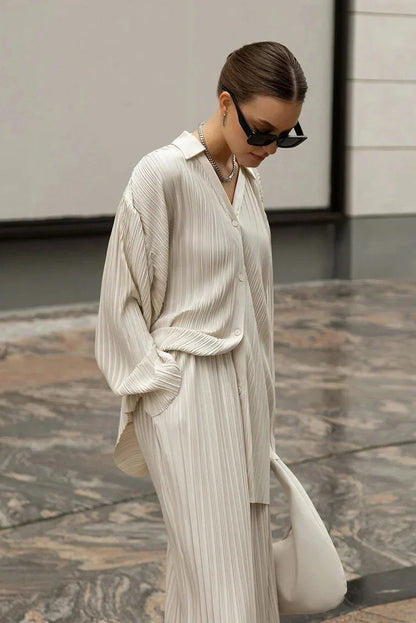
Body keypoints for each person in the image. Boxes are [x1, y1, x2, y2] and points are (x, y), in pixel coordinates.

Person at [95, 40, 308, 623]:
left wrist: (262, 396)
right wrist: (161, 385)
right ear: (225, 102)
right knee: (223, 580)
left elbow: (257, 303)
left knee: (227, 575)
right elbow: (120, 300)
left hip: (247, 398)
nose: (269, 148)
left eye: (285, 137)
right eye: (261, 131)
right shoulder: (161, 174)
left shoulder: (247, 181)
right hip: (188, 397)